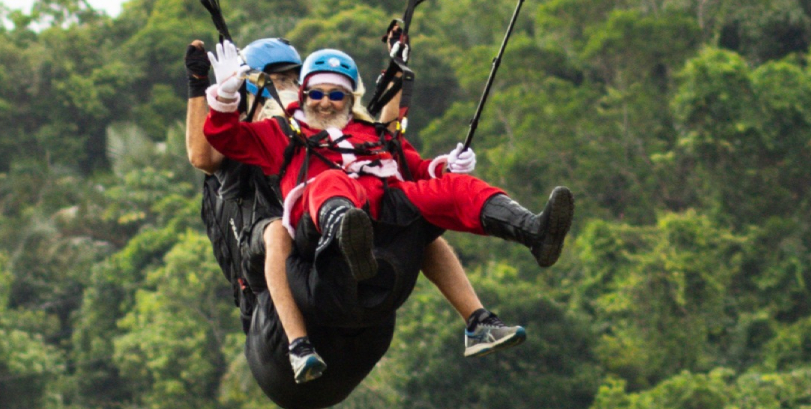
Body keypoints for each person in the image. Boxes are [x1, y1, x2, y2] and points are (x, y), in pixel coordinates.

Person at [186, 39, 526, 388]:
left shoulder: (317, 132)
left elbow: (383, 147)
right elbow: (202, 155)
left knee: (407, 215)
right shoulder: (251, 137)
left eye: (291, 81)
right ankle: (298, 343)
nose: (286, 91)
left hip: (336, 277)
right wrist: (203, 85)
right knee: (277, 232)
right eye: (276, 83)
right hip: (272, 316)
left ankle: (478, 319)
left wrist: (399, 78)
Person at [202, 41, 575, 302]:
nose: (326, 103)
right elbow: (224, 137)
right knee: (331, 181)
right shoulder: (281, 132)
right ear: (304, 95)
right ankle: (350, 242)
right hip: (321, 213)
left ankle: (535, 232)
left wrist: (446, 165)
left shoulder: (372, 133)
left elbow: (415, 168)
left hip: (384, 201)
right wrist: (226, 97)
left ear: (350, 99)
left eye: (337, 95)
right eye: (317, 94)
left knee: (455, 188)